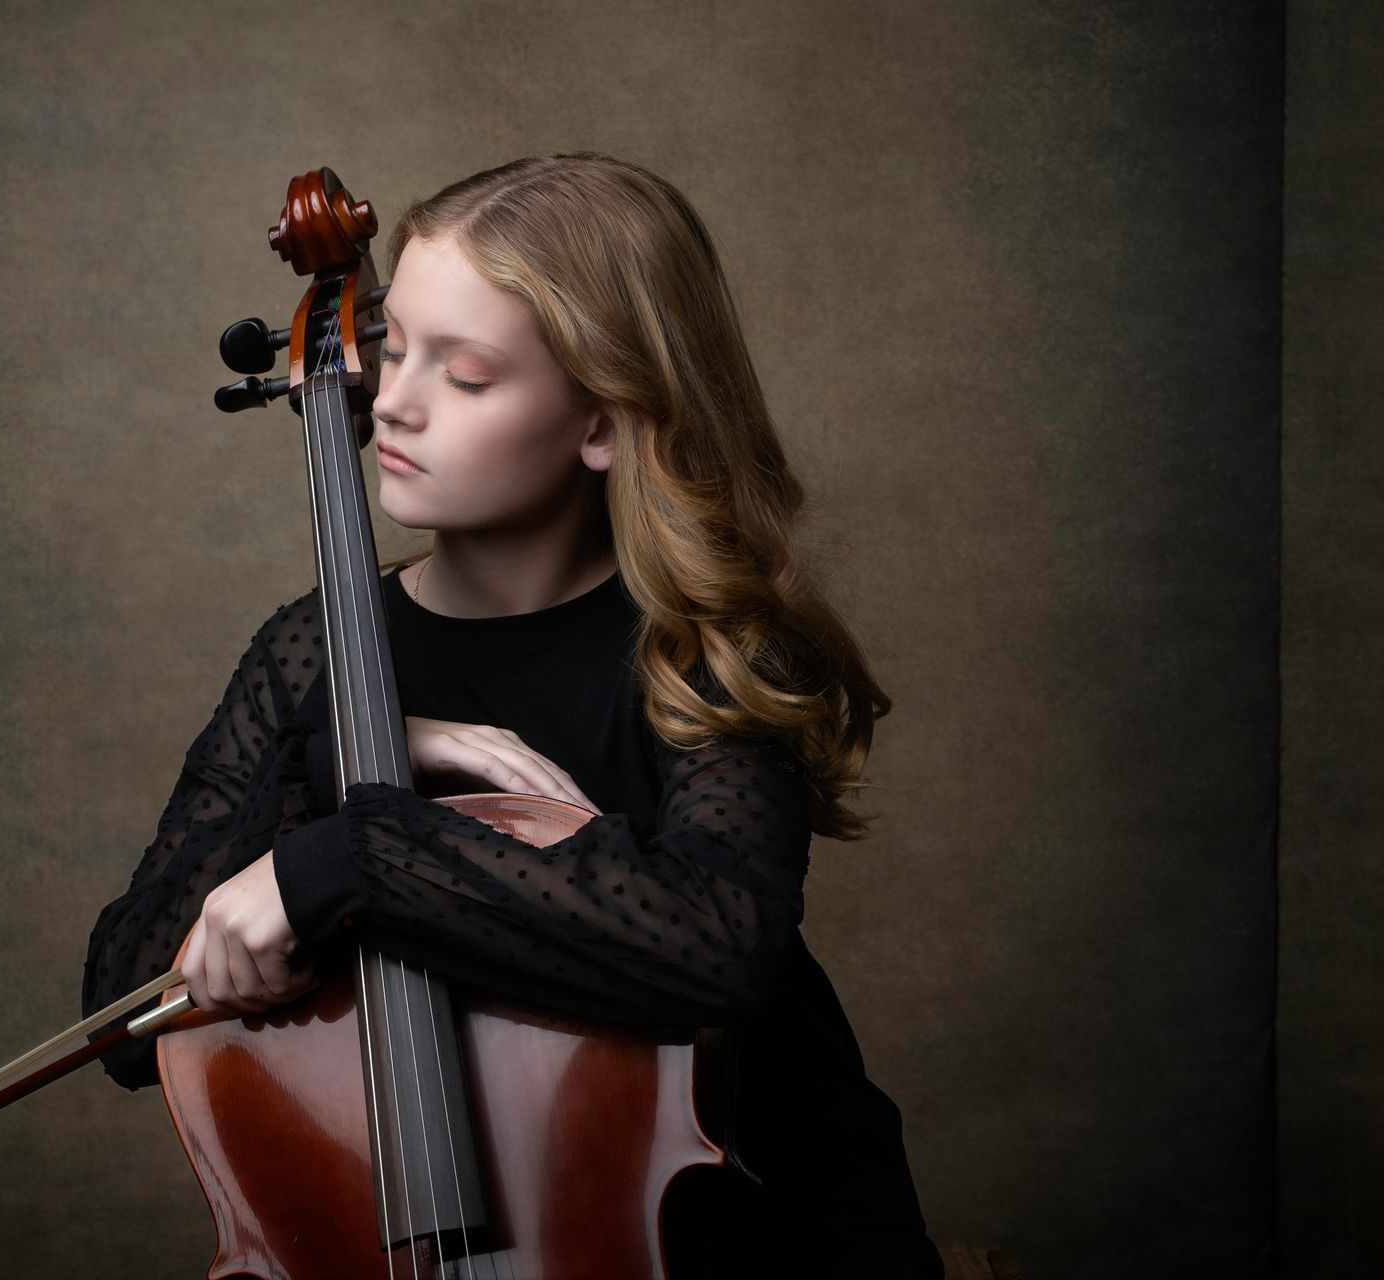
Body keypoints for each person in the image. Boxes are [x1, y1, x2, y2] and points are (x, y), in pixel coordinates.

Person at [82, 151, 943, 1278]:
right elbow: (122, 1007)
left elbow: (716, 940)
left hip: (750, 1234)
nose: (389, 399)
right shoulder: (311, 659)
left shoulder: (705, 649)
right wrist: (357, 760)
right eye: (394, 350)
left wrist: (363, 848)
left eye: (469, 373)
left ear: (601, 421)